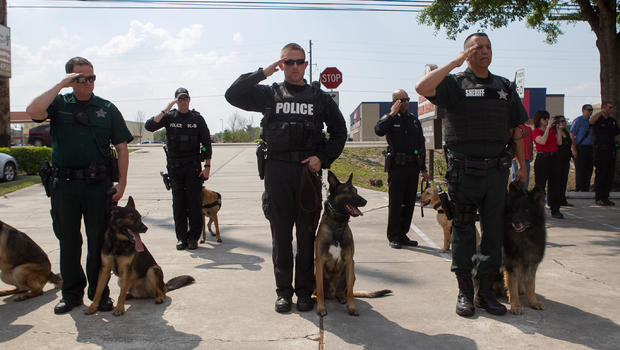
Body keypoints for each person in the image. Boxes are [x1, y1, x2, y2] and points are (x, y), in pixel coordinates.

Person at [225, 43, 347, 313]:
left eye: (298, 61)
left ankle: (304, 293)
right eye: (288, 62)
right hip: (277, 171)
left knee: (305, 239)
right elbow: (232, 94)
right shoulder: (269, 94)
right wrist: (263, 72)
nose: (294, 66)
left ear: (305, 64)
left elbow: (340, 131)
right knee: (281, 237)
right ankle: (284, 293)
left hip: (307, 174)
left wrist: (322, 159)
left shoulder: (319, 97)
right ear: (282, 65)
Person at [415, 32, 528, 317]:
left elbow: (516, 129)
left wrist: (523, 166)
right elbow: (421, 86)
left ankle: (484, 293)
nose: (484, 51)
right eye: (477, 47)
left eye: (488, 46)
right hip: (463, 173)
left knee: (492, 234)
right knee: (463, 232)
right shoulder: (454, 83)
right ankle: (465, 292)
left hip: (497, 172)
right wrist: (454, 62)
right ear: (466, 53)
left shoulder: (504, 86)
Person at [25, 57, 133, 314]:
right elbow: (32, 111)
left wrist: (123, 182)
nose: (88, 83)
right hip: (64, 186)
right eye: (81, 78)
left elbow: (121, 146)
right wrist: (60, 86)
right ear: (71, 80)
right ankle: (71, 294)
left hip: (98, 186)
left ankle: (100, 293)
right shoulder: (59, 104)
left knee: (98, 241)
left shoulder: (106, 108)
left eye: (92, 77)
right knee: (68, 241)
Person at [145, 88, 212, 250]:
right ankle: (181, 237)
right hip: (175, 168)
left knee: (194, 204)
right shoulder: (169, 117)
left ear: (189, 100)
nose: (183, 101)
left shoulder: (197, 119)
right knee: (179, 204)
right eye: (179, 99)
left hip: (193, 167)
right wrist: (166, 108)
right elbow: (150, 126)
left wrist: (207, 165)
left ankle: (193, 238)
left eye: (185, 98)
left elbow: (206, 143)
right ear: (175, 100)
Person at [374, 89, 430, 249]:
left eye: (407, 99)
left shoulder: (413, 120)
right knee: (396, 203)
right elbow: (378, 130)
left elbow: (421, 145)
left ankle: (403, 234)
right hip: (397, 168)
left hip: (412, 167)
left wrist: (423, 169)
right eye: (402, 100)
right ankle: (393, 235)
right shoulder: (390, 119)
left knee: (409, 203)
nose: (406, 102)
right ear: (395, 102)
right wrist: (392, 114)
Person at [532, 110, 564, 219]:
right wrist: (548, 128)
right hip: (542, 159)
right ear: (539, 120)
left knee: (555, 185)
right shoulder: (536, 131)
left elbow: (559, 142)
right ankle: (538, 209)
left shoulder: (552, 131)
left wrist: (559, 130)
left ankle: (555, 209)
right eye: (544, 118)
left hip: (554, 158)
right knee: (540, 185)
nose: (546, 120)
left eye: (548, 118)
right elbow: (542, 142)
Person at [589, 102, 619, 206]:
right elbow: (591, 121)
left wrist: (615, 144)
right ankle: (599, 197)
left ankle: (605, 197)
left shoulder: (612, 121)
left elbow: (616, 135)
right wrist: (601, 112)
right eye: (610, 107)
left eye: (612, 108)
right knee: (601, 174)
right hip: (600, 151)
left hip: (611, 150)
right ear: (604, 108)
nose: (611, 110)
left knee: (609, 174)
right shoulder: (598, 119)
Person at [570, 104, 595, 192]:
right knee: (581, 168)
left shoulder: (592, 121)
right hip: (581, 147)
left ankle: (586, 187)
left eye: (591, 110)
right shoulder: (578, 121)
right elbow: (572, 134)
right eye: (588, 110)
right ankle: (579, 187)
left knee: (589, 168)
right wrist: (574, 149)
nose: (590, 112)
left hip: (590, 147)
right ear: (583, 110)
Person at [510, 118, 533, 189]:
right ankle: (514, 197)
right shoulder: (514, 128)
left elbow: (530, 143)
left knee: (525, 180)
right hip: (515, 159)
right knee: (516, 180)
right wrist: (520, 135)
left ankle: (524, 196)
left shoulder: (528, 129)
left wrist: (531, 153)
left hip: (526, 158)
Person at [556, 115, 573, 206]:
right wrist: (558, 130)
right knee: (558, 180)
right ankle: (557, 199)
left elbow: (569, 143)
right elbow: (559, 143)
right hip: (558, 159)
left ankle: (563, 199)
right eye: (562, 121)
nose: (564, 123)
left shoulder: (566, 132)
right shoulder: (556, 132)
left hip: (566, 158)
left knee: (564, 179)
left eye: (564, 121)